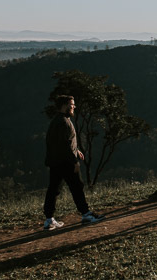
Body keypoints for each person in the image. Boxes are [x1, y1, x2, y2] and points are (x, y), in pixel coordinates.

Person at [43, 95, 105, 230]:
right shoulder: (65, 122)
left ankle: (49, 219)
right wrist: (74, 160)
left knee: (53, 189)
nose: (74, 107)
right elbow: (66, 144)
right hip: (66, 162)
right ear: (65, 105)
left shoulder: (56, 121)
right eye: (72, 104)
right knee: (77, 187)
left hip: (55, 162)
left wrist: (76, 150)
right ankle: (86, 214)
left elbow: (57, 142)